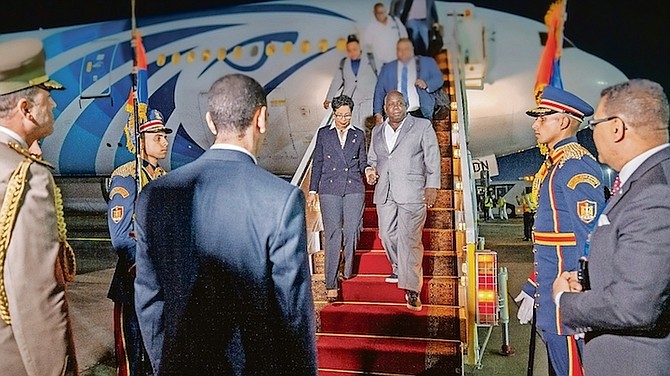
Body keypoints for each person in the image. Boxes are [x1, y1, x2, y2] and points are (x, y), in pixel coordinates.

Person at [134, 73, 318, 375]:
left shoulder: (155, 195)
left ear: (210, 121)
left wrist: (165, 365)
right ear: (261, 119)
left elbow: (150, 300)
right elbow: (293, 316)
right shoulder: (281, 200)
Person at [553, 79, 670, 376]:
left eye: (594, 123)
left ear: (616, 128)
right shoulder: (645, 180)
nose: (591, 132)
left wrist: (566, 300)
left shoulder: (655, 192)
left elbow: (634, 306)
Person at [514, 86, 605, 376]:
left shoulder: (575, 168)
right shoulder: (554, 167)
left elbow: (589, 242)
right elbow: (551, 242)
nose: (535, 124)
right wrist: (533, 286)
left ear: (564, 121)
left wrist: (579, 306)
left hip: (568, 304)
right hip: (552, 298)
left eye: (543, 117)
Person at [0, 38, 77, 375]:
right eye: (48, 96)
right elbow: (36, 297)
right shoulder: (26, 176)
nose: (55, 105)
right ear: (26, 109)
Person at [107, 109, 171, 376]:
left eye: (164, 136)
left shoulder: (163, 177)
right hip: (135, 280)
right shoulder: (126, 177)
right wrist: (144, 270)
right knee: (135, 354)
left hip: (163, 279)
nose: (165, 142)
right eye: (157, 137)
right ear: (139, 141)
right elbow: (121, 237)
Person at [365, 90, 440, 311]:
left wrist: (432, 185)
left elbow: (432, 156)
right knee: (386, 234)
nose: (395, 107)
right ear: (385, 109)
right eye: (391, 104)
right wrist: (370, 170)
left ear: (406, 106)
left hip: (413, 191)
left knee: (410, 239)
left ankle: (412, 289)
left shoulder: (422, 126)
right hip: (385, 191)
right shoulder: (378, 130)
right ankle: (399, 266)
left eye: (400, 103)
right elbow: (373, 158)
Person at [308, 95, 367, 301]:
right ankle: (331, 283)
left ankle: (347, 267)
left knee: (352, 231)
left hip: (353, 186)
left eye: (347, 115)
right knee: (333, 235)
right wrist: (313, 190)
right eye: (340, 115)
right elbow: (318, 162)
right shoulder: (324, 134)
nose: (343, 119)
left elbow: (362, 161)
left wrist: (368, 170)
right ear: (333, 114)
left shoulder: (358, 135)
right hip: (329, 188)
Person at [373, 38, 443, 125]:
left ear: (412, 49)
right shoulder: (387, 68)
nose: (403, 52)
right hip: (395, 115)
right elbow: (379, 91)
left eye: (406, 49)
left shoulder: (426, 62)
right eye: (400, 49)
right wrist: (378, 113)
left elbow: (439, 79)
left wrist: (427, 84)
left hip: (420, 113)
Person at [323, 35, 378, 131]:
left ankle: (365, 144)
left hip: (369, 97)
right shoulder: (344, 63)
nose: (352, 52)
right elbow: (336, 81)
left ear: (359, 48)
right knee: (353, 125)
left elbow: (381, 76)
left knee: (366, 124)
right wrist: (328, 98)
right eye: (349, 50)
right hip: (352, 98)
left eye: (354, 49)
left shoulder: (371, 59)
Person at [362, 2, 408, 71]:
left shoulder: (395, 21)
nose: (381, 15)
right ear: (374, 13)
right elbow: (367, 45)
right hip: (383, 64)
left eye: (382, 12)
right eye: (378, 13)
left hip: (399, 61)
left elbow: (405, 37)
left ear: (386, 11)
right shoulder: (371, 26)